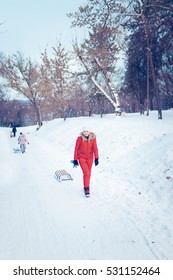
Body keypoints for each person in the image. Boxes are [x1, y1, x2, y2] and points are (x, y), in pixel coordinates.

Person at [72, 128, 99, 197]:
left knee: (88, 173)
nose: (86, 133)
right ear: (82, 132)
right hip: (82, 158)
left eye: (87, 131)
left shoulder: (93, 138)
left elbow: (95, 148)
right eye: (84, 131)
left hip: (90, 158)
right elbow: (76, 148)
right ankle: (87, 189)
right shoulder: (79, 139)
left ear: (89, 131)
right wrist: (75, 159)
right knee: (86, 173)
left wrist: (96, 158)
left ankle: (86, 186)